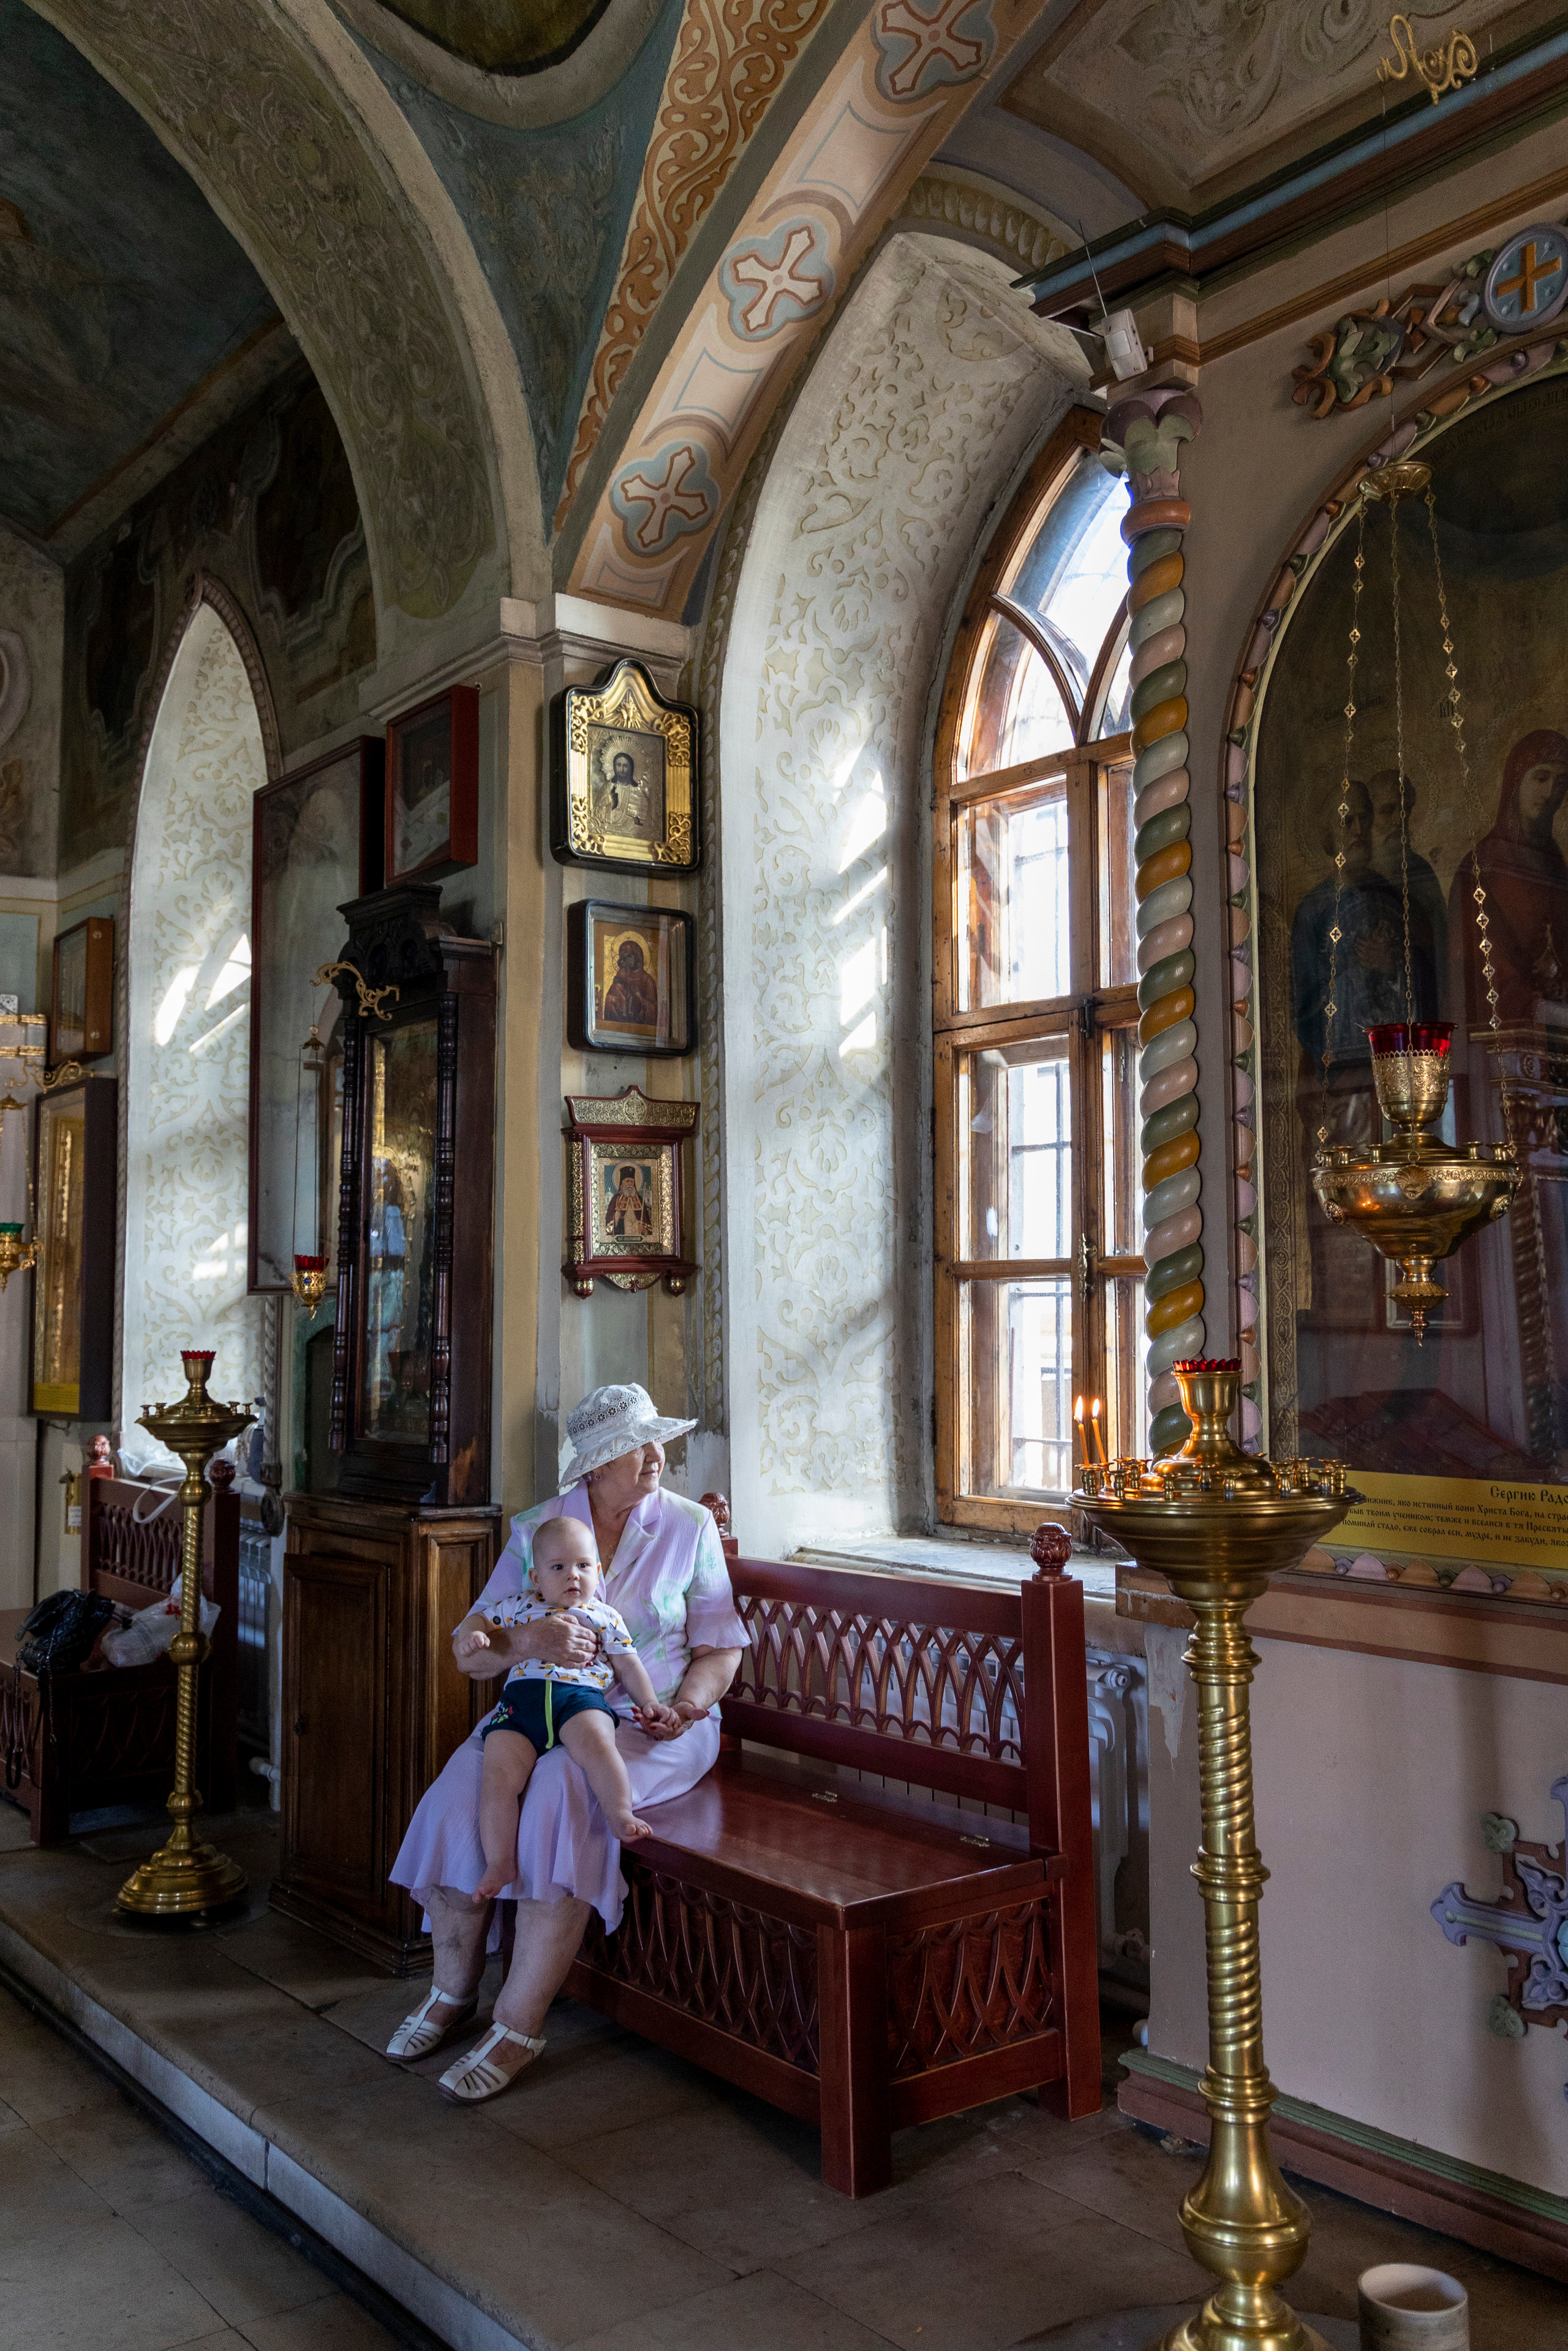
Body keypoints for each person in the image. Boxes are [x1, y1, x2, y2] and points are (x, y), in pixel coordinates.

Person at [386, 1384, 746, 2105]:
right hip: (537, 1707)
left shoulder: (688, 1526)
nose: (655, 1456)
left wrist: (681, 1705)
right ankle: (452, 1993)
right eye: (634, 1445)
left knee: (559, 1790)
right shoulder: (538, 1530)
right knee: (459, 1794)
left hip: (651, 1727)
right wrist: (528, 1639)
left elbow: (721, 1647)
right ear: (594, 1466)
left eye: (657, 1440)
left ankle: (518, 2022)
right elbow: (473, 1650)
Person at [466, 1515, 676, 1898]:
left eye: (583, 1566)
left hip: (579, 1699)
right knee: (497, 1778)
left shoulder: (604, 1616)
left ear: (597, 1572)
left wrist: (649, 1704)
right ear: (536, 1579)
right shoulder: (518, 1607)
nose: (572, 1576)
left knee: (598, 1745)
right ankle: (500, 1863)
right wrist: (475, 1635)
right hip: (521, 1703)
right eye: (558, 1568)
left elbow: (628, 1663)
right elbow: (482, 1619)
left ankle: (620, 1811)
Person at [1452, 728, 1568, 1024]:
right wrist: (1550, 1012)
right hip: (1512, 1036)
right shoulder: (1484, 868)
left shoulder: (1555, 867)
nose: (1551, 793)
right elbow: (1486, 971)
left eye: (1562, 782)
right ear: (1516, 781)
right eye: (1541, 777)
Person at [603, 937, 660, 1027]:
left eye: (630, 956)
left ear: (638, 957)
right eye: (624, 958)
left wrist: (640, 999)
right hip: (619, 1024)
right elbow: (611, 997)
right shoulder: (621, 976)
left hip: (640, 1026)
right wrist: (612, 997)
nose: (627, 960)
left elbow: (653, 1007)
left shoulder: (647, 979)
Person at [605, 1164, 652, 1241]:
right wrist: (618, 1212)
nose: (630, 1184)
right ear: (622, 1183)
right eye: (627, 1181)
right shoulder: (616, 1199)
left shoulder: (640, 1200)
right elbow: (609, 1228)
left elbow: (649, 1227)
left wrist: (644, 1230)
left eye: (632, 1181)